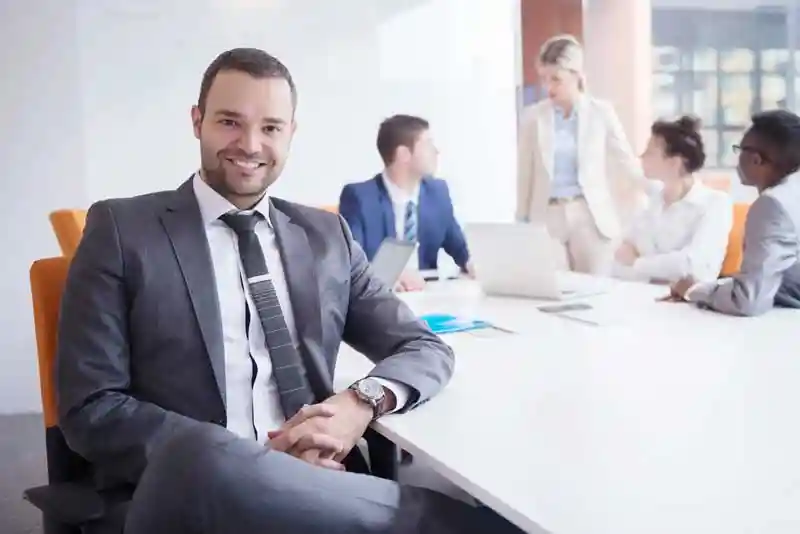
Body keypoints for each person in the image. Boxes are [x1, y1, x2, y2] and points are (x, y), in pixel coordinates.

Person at [56, 48, 521, 533]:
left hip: (322, 484)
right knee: (200, 455)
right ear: (198, 121)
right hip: (190, 493)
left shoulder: (326, 237)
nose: (250, 144)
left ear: (291, 134)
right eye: (230, 122)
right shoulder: (122, 229)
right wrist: (252, 462)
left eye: (271, 128)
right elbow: (91, 404)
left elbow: (423, 346)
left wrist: (358, 402)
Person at [516, 34, 644, 274]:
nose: (548, 87)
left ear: (576, 75)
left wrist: (657, 188)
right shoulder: (533, 117)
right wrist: (521, 221)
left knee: (595, 292)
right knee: (552, 290)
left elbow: (625, 159)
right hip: (546, 217)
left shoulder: (601, 112)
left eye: (556, 79)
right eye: (544, 79)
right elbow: (525, 175)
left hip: (589, 215)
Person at [668, 109, 800, 315]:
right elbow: (776, 278)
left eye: (740, 150)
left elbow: (748, 300)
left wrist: (693, 290)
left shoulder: (773, 205)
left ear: (756, 160)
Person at [339, 115, 472, 292]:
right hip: (380, 302)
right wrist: (388, 275)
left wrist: (473, 264)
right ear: (404, 154)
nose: (436, 151)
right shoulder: (360, 198)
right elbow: (352, 263)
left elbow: (460, 249)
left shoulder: (437, 193)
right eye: (428, 144)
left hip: (428, 298)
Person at [612, 115, 733, 284]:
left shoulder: (715, 203)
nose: (642, 157)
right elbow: (620, 255)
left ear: (674, 163)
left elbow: (692, 265)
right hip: (645, 297)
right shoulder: (655, 200)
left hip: (689, 304)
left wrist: (638, 263)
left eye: (650, 152)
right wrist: (659, 266)